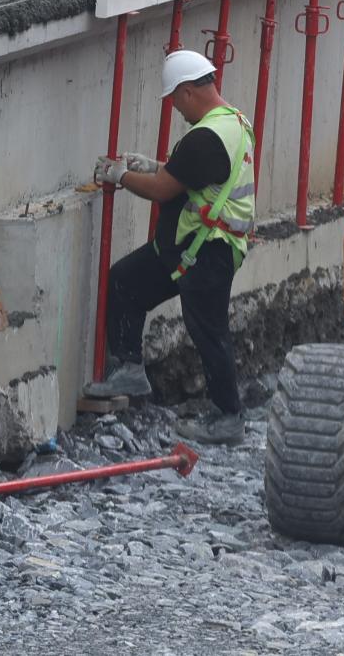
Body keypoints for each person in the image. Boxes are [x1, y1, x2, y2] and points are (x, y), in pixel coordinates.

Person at [83, 50, 257, 445]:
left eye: (176, 100)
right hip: (189, 247)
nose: (176, 109)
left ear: (189, 91)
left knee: (208, 329)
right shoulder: (232, 123)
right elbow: (187, 174)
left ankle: (229, 417)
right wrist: (151, 165)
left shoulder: (206, 136)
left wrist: (122, 175)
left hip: (206, 250)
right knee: (126, 281)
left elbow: (164, 189)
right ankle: (129, 369)